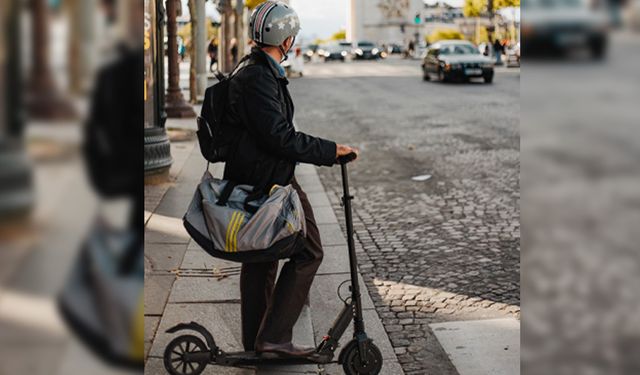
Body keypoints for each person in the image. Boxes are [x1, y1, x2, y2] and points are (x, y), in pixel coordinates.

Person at [221, 1, 358, 358]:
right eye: (291, 36)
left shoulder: (255, 70)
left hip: (257, 178)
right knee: (309, 250)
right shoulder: (257, 77)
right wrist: (331, 151)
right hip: (270, 184)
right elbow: (280, 136)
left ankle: (259, 342)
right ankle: (274, 337)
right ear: (283, 38)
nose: (293, 42)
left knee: (261, 261)